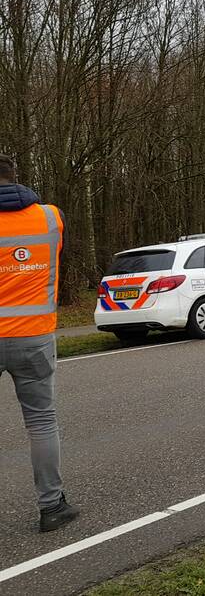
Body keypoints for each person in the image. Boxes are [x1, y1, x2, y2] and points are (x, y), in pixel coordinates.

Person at [0, 154, 79, 532]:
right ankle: (52, 507)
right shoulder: (51, 217)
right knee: (41, 422)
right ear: (13, 176)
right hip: (33, 335)